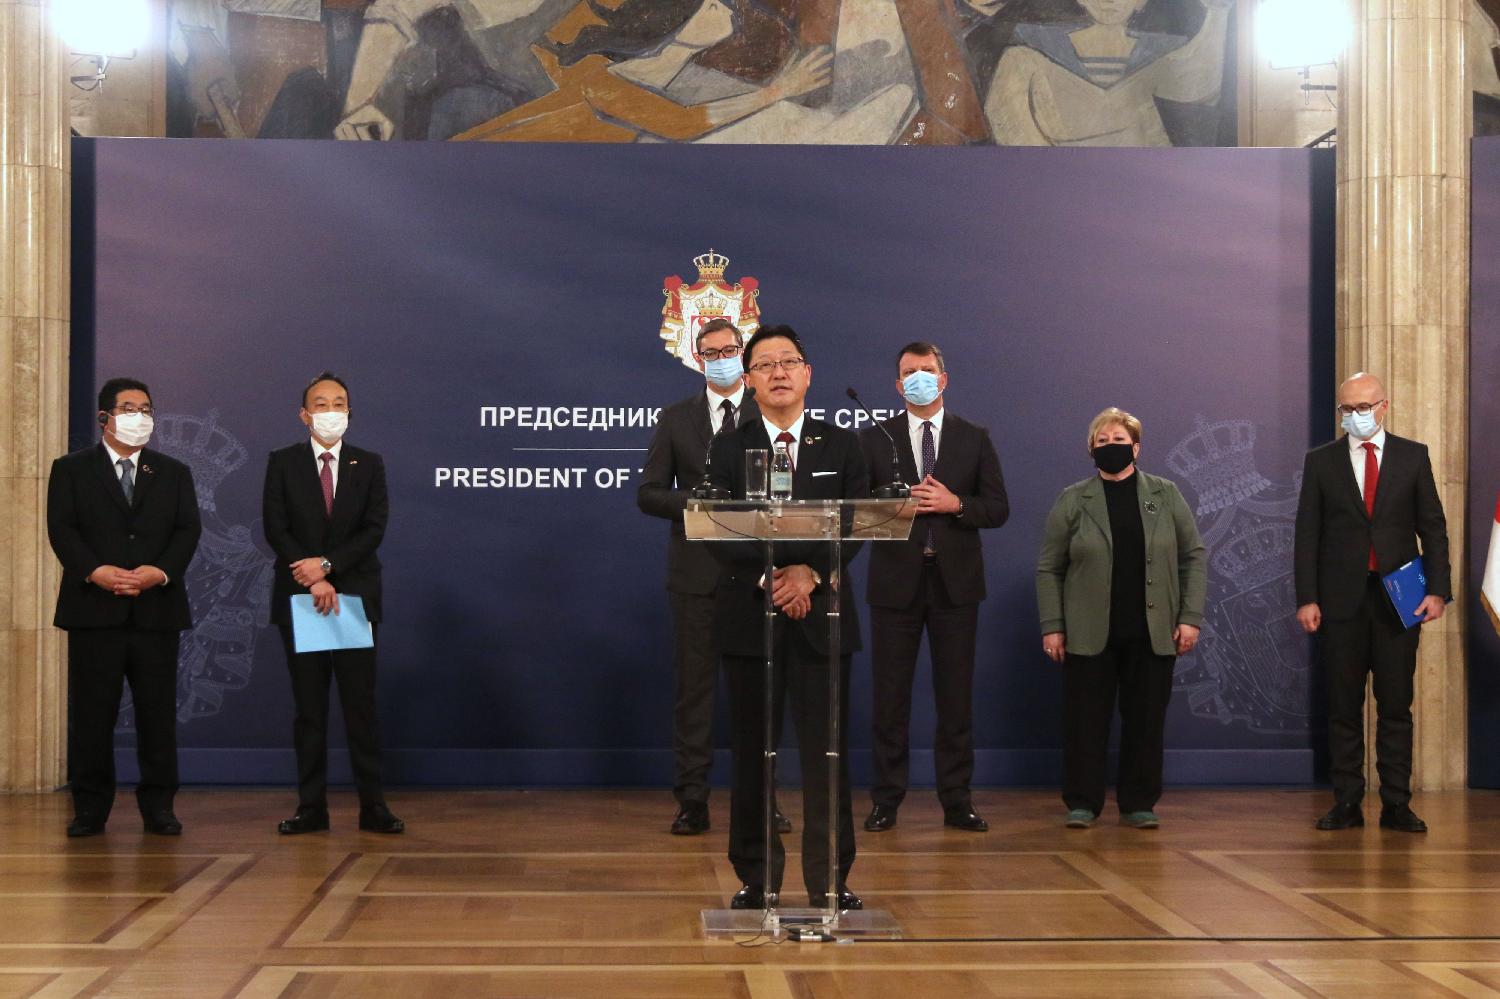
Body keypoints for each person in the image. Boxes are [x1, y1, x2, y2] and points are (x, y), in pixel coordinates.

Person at [706, 324, 869, 911]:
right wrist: (775, 580)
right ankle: (757, 878)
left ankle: (831, 880)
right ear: (748, 381)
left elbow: (858, 522)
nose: (778, 372)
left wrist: (811, 576)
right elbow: (717, 526)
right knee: (754, 757)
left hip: (824, 618)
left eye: (789, 361)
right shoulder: (729, 447)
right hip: (751, 617)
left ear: (807, 374)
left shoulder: (842, 445)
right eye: (765, 364)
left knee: (828, 757)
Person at [638, 318, 787, 836]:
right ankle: (692, 800)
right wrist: (697, 502)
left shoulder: (769, 413)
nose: (722, 359)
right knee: (695, 694)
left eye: (730, 350)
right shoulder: (676, 418)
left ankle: (764, 800)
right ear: (699, 360)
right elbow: (649, 493)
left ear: (742, 356)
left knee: (761, 695)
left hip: (760, 575)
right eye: (712, 352)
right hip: (696, 576)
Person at [861, 342, 1009, 834]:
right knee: (889, 700)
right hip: (895, 586)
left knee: (955, 699)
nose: (919, 378)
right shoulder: (875, 438)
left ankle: (957, 801)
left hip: (955, 588)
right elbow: (855, 510)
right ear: (898, 385)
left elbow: (997, 508)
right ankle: (886, 800)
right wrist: (892, 507)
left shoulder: (974, 437)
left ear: (943, 380)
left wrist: (955, 504)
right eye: (910, 372)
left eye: (927, 370)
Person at [1295, 373, 1450, 834]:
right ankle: (1346, 802)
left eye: (1363, 407)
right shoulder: (1321, 461)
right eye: (1347, 409)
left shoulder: (1413, 456)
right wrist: (1307, 598)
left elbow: (1433, 528)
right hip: (1340, 600)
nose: (1355, 416)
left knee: (1396, 706)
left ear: (1384, 406)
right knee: (1343, 706)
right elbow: (1307, 535)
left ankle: (1397, 804)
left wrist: (1438, 590)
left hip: (1399, 601)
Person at [47, 377, 202, 838]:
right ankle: (90, 809)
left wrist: (161, 571)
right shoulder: (71, 469)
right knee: (93, 716)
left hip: (156, 611)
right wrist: (94, 570)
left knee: (157, 715)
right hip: (94, 610)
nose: (140, 417)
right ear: (104, 417)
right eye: (129, 408)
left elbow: (187, 530)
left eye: (146, 409)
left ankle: (159, 808)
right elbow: (62, 529)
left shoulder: (173, 472)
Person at [1036, 407, 1205, 829]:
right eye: (1103, 441)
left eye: (1119, 440)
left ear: (1137, 447)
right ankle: (1082, 802)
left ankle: (1138, 803)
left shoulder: (1166, 494)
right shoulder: (1073, 499)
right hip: (1087, 632)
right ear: (1091, 450)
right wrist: (1053, 626)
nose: (1111, 447)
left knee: (1146, 722)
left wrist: (1190, 617)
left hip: (1152, 631)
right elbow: (1049, 568)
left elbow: (1193, 556)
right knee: (1085, 724)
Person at [262, 372, 403, 835]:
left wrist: (327, 566)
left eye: (339, 403)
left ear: (350, 412)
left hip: (352, 597)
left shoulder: (369, 464)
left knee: (360, 707)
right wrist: (311, 576)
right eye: (321, 404)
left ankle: (373, 806)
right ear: (304, 415)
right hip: (302, 596)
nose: (331, 411)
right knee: (310, 710)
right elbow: (276, 526)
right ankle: (311, 808)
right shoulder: (283, 462)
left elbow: (373, 528)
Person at [454, 0, 833, 142]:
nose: (727, 8)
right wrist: (775, 92)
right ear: (676, 28)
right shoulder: (599, 82)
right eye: (710, 5)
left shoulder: (663, 76)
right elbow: (681, 124)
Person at [983, 0, 1232, 146]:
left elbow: (1196, 91)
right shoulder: (1024, 58)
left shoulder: (1160, 57)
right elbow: (1011, 131)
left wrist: (1218, 13)